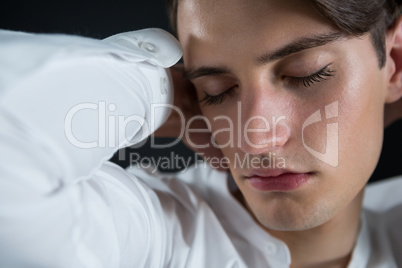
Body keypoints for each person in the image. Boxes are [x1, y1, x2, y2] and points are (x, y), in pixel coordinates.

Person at [0, 1, 402, 268]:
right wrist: (159, 94)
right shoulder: (158, 237)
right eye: (216, 91)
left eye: (305, 74)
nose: (254, 140)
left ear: (395, 62)